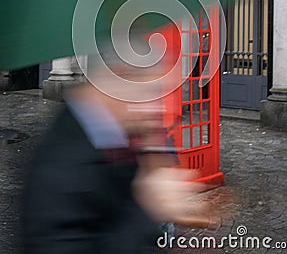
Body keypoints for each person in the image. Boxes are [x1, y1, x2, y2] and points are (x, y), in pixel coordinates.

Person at [22, 34, 210, 254]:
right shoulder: (60, 167)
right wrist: (148, 208)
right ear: (123, 77)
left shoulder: (117, 136)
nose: (158, 107)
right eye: (150, 92)